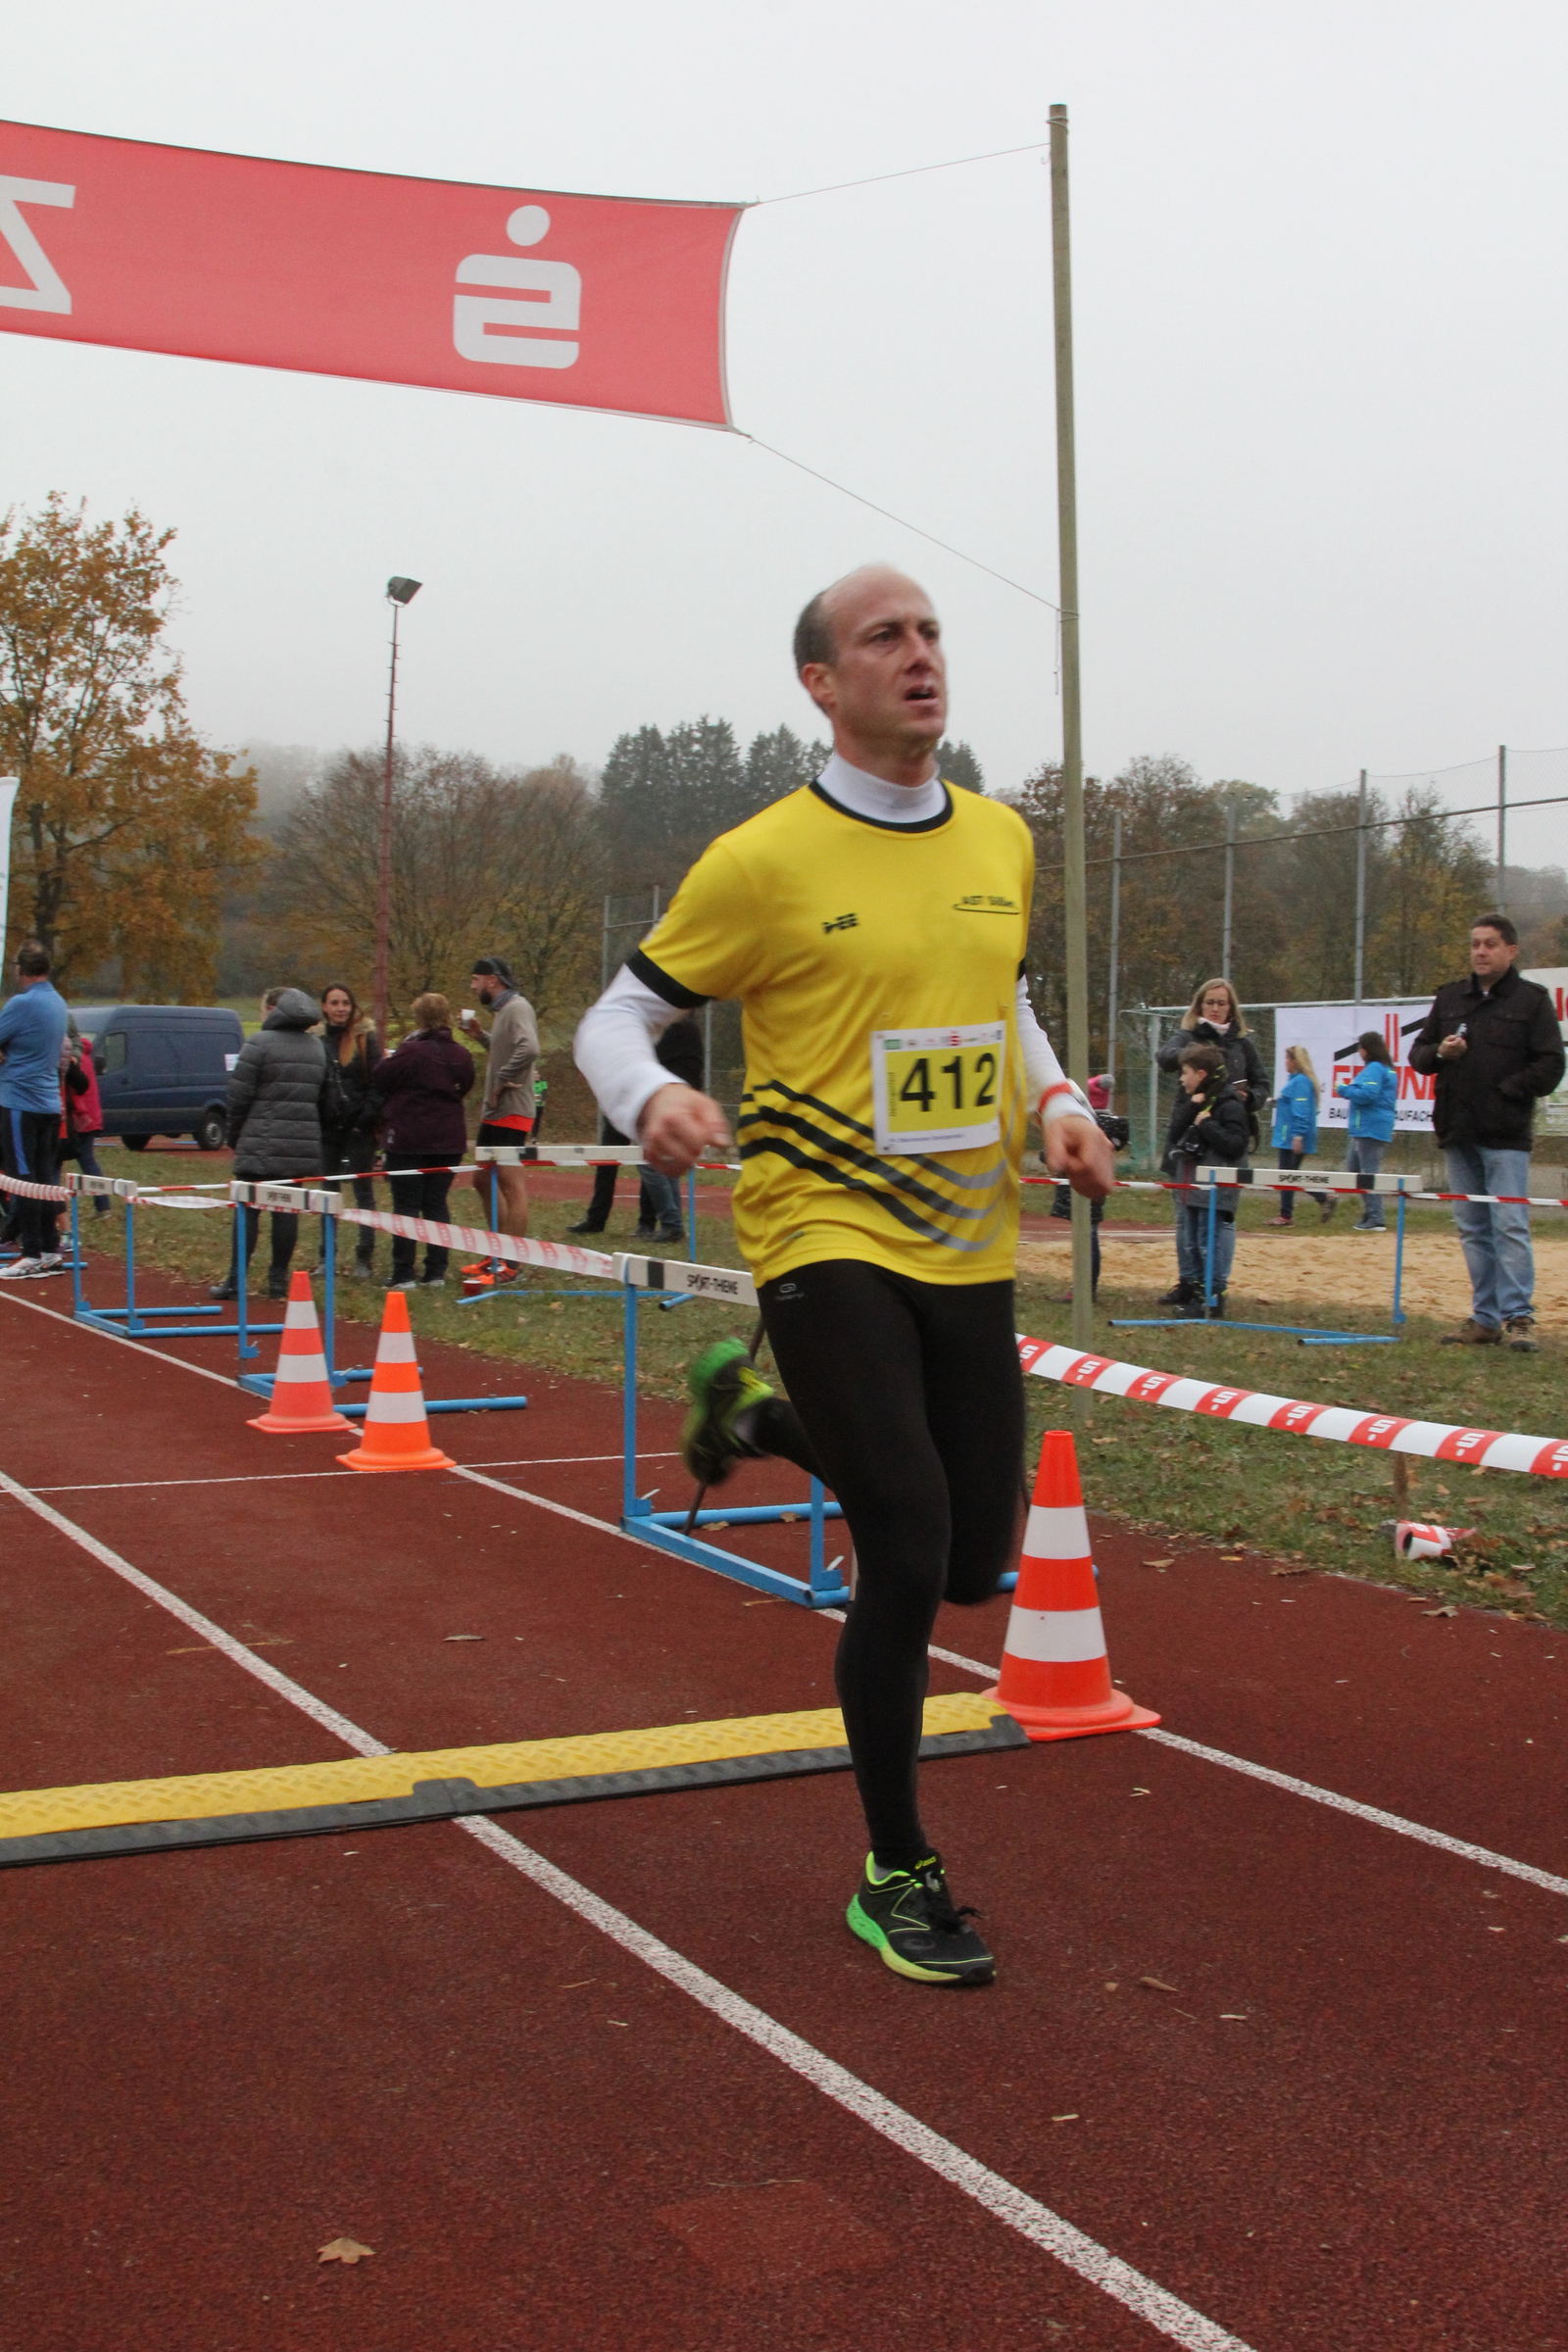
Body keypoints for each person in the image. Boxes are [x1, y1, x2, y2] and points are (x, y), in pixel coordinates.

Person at [575, 563, 1112, 1988]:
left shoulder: (999, 836)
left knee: (977, 1564)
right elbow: (615, 1019)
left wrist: (1057, 1102)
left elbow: (1003, 997)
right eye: (886, 637)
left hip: (968, 1236)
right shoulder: (762, 862)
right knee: (909, 1536)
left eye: (930, 631)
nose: (920, 654)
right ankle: (898, 1869)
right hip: (821, 1228)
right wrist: (650, 1098)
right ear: (821, 682)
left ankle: (755, 1420)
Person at [1408, 913, 1564, 1350]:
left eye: (1490, 944)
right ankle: (1485, 1319)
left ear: (1511, 950)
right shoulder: (1449, 998)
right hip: (1457, 1130)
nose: (1480, 951)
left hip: (1506, 1134)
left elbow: (1551, 1064)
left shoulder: (1532, 1001)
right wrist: (1440, 1051)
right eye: (1475, 944)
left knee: (1509, 1225)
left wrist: (1507, 1092)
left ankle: (1519, 1318)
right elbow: (1418, 1055)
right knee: (1473, 1228)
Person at [212, 988, 339, 1302]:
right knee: (286, 1212)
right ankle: (278, 1281)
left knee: (248, 1211)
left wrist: (234, 1136)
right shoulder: (318, 1048)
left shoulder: (258, 1044)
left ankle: (236, 1280)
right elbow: (327, 1102)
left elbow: (238, 1098)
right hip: (300, 1146)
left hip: (259, 1141)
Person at [1155, 979, 1267, 1307]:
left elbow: (1262, 1085)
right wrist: (1196, 1057)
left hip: (1226, 1140)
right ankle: (1188, 1281)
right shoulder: (1187, 1036)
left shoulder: (1243, 1045)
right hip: (1189, 1138)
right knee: (1185, 1217)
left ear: (1231, 1008)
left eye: (1222, 1003)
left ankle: (1214, 1286)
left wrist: (1248, 1098)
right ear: (1199, 1006)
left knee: (1220, 1219)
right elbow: (1165, 1056)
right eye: (1210, 1002)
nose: (1216, 1008)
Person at [569, 1013, 705, 1242]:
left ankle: (661, 1224)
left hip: (656, 1102)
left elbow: (642, 1063)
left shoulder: (677, 1030)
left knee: (650, 1162)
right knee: (615, 1158)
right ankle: (605, 1219)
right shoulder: (666, 1028)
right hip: (635, 1099)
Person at [371, 992, 474, 1288]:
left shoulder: (410, 1051)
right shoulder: (461, 1055)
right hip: (449, 1140)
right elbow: (465, 1085)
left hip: (409, 1137)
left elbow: (380, 1077)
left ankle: (404, 1272)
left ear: (419, 1018)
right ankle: (436, 1272)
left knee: (406, 1204)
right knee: (436, 1203)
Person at [1161, 1042, 1251, 1315]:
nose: (1181, 1078)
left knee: (1207, 1242)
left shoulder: (1229, 1103)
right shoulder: (1195, 1101)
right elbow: (1174, 1133)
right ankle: (1197, 1292)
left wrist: (1207, 1124)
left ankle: (1213, 1296)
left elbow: (1236, 1145)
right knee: (1192, 1242)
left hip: (1215, 1187)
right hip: (1191, 1185)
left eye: (1185, 1072)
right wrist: (1191, 1108)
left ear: (1201, 1074)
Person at [460, 956, 538, 1263]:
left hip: (513, 1108)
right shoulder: (503, 1010)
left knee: (509, 1182)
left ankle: (511, 1263)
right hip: (495, 1112)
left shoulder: (518, 1007)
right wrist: (481, 1037)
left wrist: (503, 1079)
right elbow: (507, 1048)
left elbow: (529, 1048)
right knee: (482, 1179)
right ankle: (497, 1253)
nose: (472, 986)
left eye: (475, 980)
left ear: (492, 979)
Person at [0, 946, 72, 1279]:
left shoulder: (21, 1003)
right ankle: (50, 1249)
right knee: (44, 1178)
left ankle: (31, 1252)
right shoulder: (58, 1001)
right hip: (49, 1103)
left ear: (22, 969)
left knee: (22, 1178)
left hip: (21, 1101)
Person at [318, 984, 383, 1280]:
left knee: (363, 1195)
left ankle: (364, 1258)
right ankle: (326, 1257)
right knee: (327, 1195)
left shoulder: (364, 1040)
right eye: (334, 1003)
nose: (340, 1008)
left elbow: (378, 1085)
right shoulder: (317, 1041)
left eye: (345, 1002)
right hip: (328, 1130)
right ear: (324, 1007)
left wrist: (364, 1122)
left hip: (359, 1130)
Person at [1332, 1031, 1398, 1232]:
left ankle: (1376, 1217)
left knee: (1368, 1173)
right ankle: (1371, 1211)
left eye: (1360, 1047)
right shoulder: (1384, 1068)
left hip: (1370, 1126)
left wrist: (1343, 1089)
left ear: (1367, 1049)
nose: (1359, 1051)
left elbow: (1368, 1094)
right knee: (1354, 1168)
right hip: (1366, 1126)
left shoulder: (1375, 1068)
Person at [1267, 1045, 1320, 1226]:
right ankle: (1321, 1199)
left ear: (1296, 1061)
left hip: (1292, 1137)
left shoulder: (1301, 1082)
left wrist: (1298, 1135)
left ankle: (1287, 1215)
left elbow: (1301, 1110)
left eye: (1288, 1059)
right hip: (1287, 1136)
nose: (1285, 1062)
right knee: (1289, 1174)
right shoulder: (1295, 1081)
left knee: (1288, 1175)